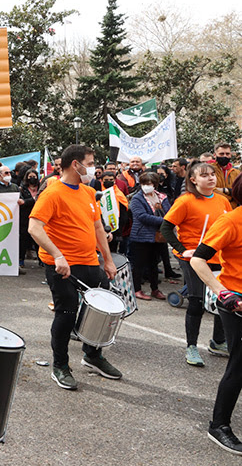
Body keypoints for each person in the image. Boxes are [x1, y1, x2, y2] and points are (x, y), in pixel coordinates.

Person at [28, 144, 120, 390]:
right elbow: (34, 227)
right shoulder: (52, 192)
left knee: (103, 311)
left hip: (89, 261)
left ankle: (92, 355)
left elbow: (98, 227)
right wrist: (58, 255)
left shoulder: (88, 192)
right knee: (66, 313)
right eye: (90, 163)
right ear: (75, 165)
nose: (94, 168)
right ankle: (60, 366)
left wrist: (108, 260)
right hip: (62, 266)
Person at [189, 176, 242, 455]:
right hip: (236, 302)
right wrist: (223, 292)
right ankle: (219, 426)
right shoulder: (231, 221)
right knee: (239, 365)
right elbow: (198, 259)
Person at [161, 162, 231, 366]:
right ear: (193, 180)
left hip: (218, 257)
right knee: (196, 300)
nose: (211, 178)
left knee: (223, 298)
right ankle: (191, 346)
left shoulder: (223, 201)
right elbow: (166, 228)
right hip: (192, 258)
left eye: (212, 174)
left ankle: (218, 342)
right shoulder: (186, 201)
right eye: (204, 175)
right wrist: (183, 250)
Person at [127, 172, 170, 301]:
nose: (147, 186)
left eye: (150, 183)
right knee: (138, 265)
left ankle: (155, 289)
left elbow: (170, 212)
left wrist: (167, 220)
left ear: (155, 184)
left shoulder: (162, 197)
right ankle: (137, 289)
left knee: (154, 264)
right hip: (141, 236)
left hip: (158, 237)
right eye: (144, 183)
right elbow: (141, 216)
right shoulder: (137, 198)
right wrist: (164, 221)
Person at [19, 170, 40, 267]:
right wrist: (33, 200)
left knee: (38, 240)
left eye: (34, 176)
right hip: (25, 217)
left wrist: (27, 201)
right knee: (23, 239)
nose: (32, 178)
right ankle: (21, 259)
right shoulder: (22, 189)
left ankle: (41, 260)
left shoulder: (40, 188)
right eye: (30, 176)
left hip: (38, 216)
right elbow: (21, 202)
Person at [213, 143, 239, 207]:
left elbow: (239, 192)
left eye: (227, 154)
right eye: (221, 154)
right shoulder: (209, 170)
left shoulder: (236, 172)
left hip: (232, 209)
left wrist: (224, 190)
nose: (225, 156)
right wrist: (230, 194)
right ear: (215, 155)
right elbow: (208, 189)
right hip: (214, 206)